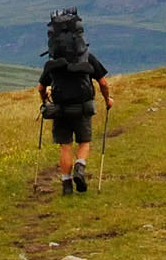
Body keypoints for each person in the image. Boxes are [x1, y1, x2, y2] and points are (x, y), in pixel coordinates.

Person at [39, 47, 112, 194]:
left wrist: (45, 99)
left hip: (60, 110)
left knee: (65, 146)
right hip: (83, 108)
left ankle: (66, 185)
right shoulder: (87, 57)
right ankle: (79, 167)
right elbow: (103, 83)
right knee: (84, 142)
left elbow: (41, 87)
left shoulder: (52, 62)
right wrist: (107, 100)